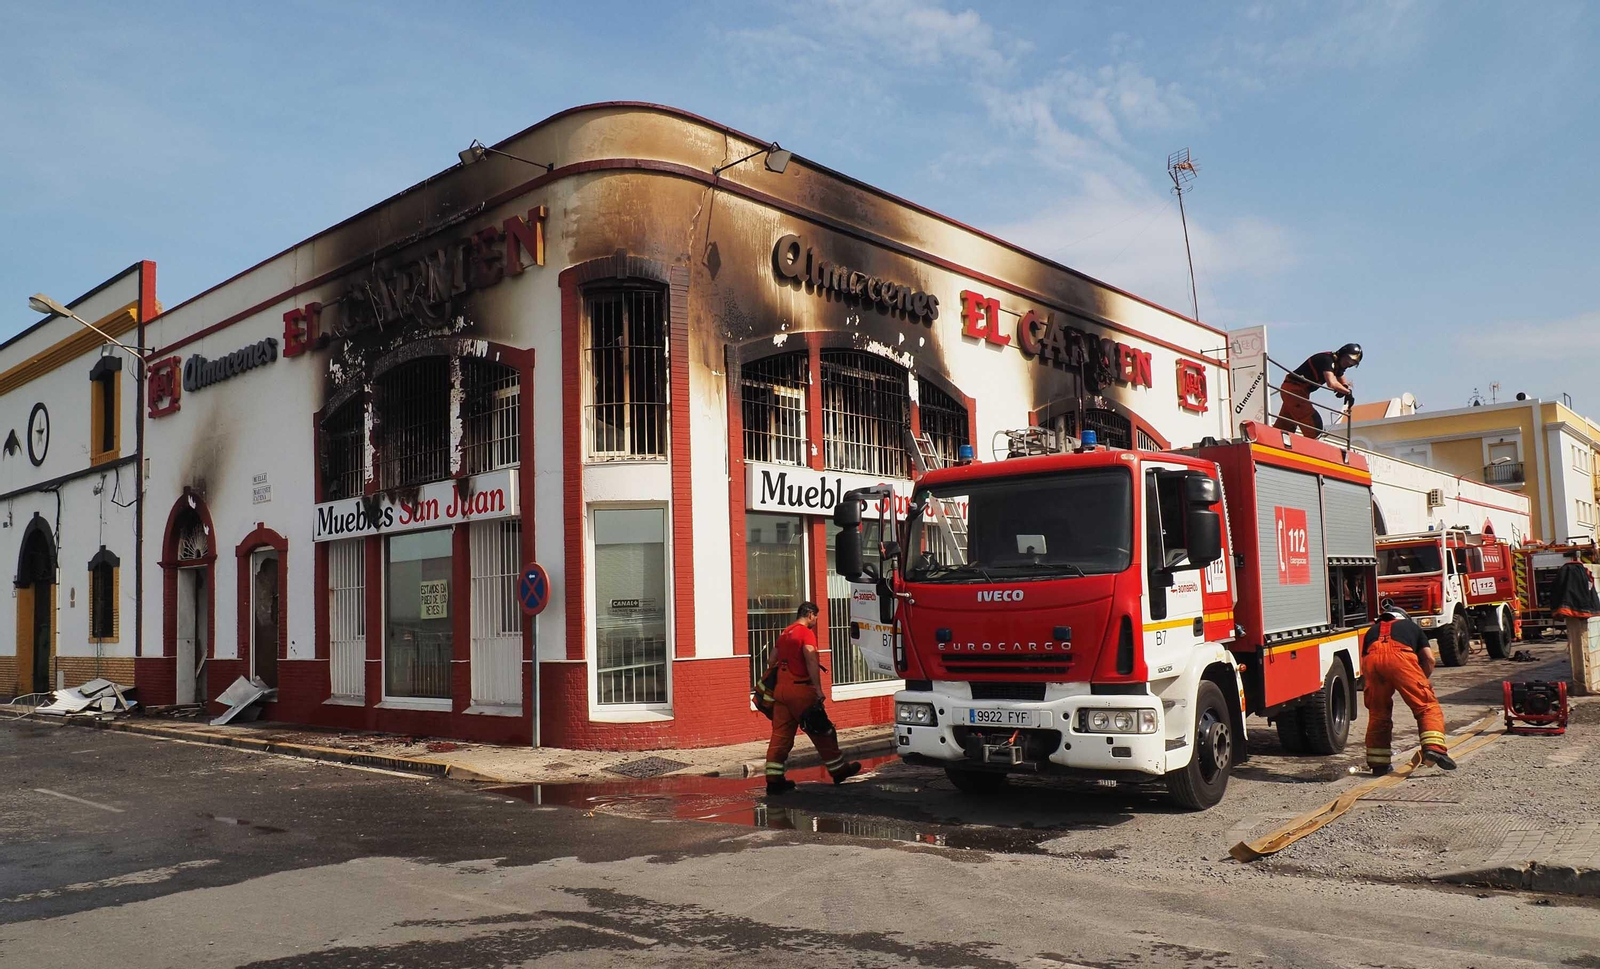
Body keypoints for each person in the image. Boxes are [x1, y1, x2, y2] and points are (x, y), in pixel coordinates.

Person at [761, 602, 863, 794]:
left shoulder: (786, 632)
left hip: (781, 690)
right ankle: (839, 770)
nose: (816, 620)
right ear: (809, 614)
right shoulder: (806, 633)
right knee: (822, 730)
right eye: (815, 617)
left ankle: (774, 781)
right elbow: (810, 659)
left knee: (780, 737)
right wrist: (818, 688)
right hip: (800, 690)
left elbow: (771, 660)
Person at [1362, 603, 1457, 774]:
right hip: (1401, 658)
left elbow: (1367, 660)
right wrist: (1421, 681)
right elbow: (1429, 659)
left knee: (1378, 713)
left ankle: (1379, 764)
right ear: (1403, 617)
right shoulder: (1411, 627)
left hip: (1372, 662)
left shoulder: (1372, 630)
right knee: (1426, 705)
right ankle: (1434, 748)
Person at [1273, 343, 1362, 438]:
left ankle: (1271, 442)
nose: (1349, 363)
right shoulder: (1327, 360)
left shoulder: (1337, 365)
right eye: (1349, 359)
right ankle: (1310, 450)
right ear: (1342, 354)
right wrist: (1347, 393)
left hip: (1298, 392)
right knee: (1314, 425)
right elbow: (1331, 383)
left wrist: (1345, 388)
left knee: (1286, 425)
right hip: (1294, 390)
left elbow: (1341, 378)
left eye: (1353, 363)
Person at [1548, 552, 1600, 696]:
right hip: (1581, 612)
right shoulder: (1584, 573)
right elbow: (1591, 591)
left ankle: (1580, 685)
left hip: (1569, 611)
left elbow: (1554, 592)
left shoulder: (1564, 573)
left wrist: (1558, 610)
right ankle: (1581, 686)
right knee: (1580, 649)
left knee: (1578, 648)